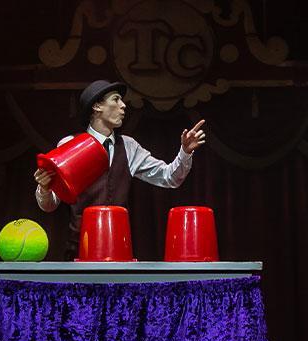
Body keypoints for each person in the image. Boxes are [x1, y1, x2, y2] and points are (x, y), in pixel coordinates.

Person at [33, 80, 206, 259]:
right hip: (80, 251)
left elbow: (170, 178)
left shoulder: (129, 147)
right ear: (97, 106)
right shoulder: (71, 144)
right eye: (116, 100)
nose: (123, 105)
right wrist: (44, 188)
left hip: (120, 251)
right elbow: (50, 204)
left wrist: (185, 152)